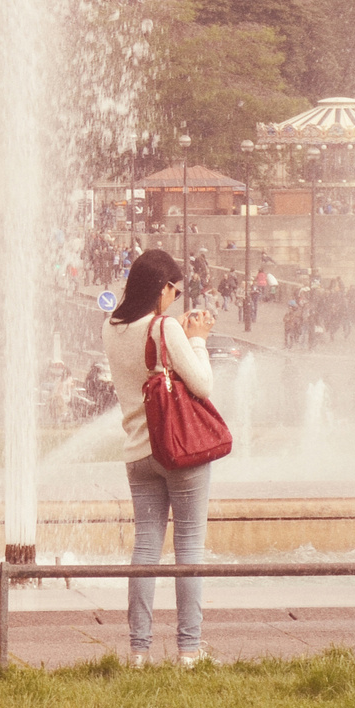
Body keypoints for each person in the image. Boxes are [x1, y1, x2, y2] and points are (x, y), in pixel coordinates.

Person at [103, 249, 218, 667]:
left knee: (146, 548)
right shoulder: (163, 326)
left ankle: (138, 651)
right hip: (178, 450)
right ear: (162, 287)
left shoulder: (111, 327)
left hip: (137, 450)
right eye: (175, 289)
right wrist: (199, 340)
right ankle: (189, 651)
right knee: (189, 547)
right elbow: (202, 385)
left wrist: (179, 338)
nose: (176, 298)